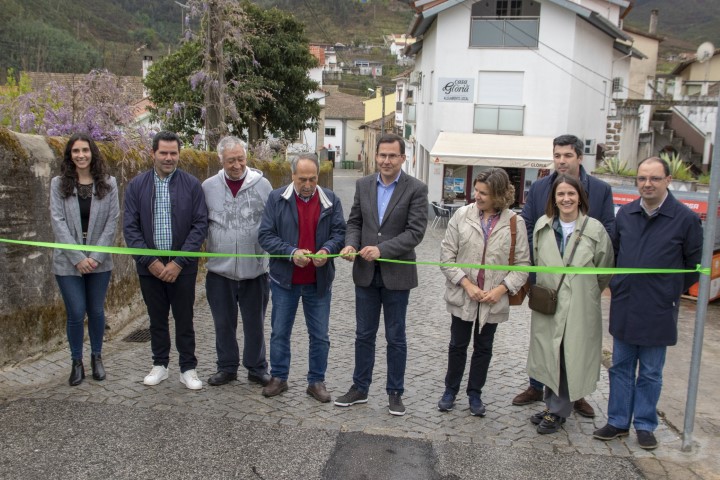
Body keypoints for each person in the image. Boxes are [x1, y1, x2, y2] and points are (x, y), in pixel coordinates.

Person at [593, 157, 702, 450]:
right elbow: (614, 255)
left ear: (668, 180)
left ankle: (644, 425)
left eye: (654, 178)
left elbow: (693, 265)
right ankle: (618, 421)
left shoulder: (685, 219)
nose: (647, 184)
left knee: (651, 371)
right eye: (642, 178)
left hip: (659, 308)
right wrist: (618, 285)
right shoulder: (626, 215)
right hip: (626, 304)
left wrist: (668, 291)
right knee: (620, 367)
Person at [514, 134, 615, 418]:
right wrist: (538, 271)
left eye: (567, 155)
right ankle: (537, 387)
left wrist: (588, 285)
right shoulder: (540, 187)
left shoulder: (600, 189)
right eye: (557, 155)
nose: (561, 160)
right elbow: (528, 227)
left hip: (581, 287)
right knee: (545, 339)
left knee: (576, 342)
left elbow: (608, 238)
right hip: (547, 282)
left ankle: (575, 396)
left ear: (579, 157)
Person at [335, 133, 428, 416]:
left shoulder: (416, 189)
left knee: (395, 337)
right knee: (363, 334)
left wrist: (381, 249)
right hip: (365, 273)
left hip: (397, 275)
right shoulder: (363, 185)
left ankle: (395, 392)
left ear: (403, 158)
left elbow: (415, 233)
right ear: (376, 156)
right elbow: (355, 222)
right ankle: (360, 388)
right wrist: (351, 244)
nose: (386, 160)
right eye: (382, 155)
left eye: (392, 155)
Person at [437, 169, 530, 416]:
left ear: (499, 195)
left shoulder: (515, 223)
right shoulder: (462, 215)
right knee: (457, 345)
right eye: (476, 190)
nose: (476, 196)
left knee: (484, 348)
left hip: (492, 299)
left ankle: (475, 394)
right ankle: (450, 391)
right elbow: (446, 257)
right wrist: (467, 285)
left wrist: (501, 289)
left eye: (483, 193)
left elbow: (523, 265)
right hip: (463, 295)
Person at [123, 131, 208, 390]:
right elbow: (130, 228)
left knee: (184, 319)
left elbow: (200, 225)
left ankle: (188, 368)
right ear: (153, 154)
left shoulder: (191, 185)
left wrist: (179, 262)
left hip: (182, 266)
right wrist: (150, 261)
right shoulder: (136, 186)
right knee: (156, 318)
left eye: (173, 153)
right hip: (149, 267)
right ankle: (160, 364)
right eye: (164, 153)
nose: (169, 158)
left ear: (179, 155)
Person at [257, 153, 346, 402]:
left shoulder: (331, 200)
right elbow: (265, 235)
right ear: (292, 175)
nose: (308, 185)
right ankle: (279, 377)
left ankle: (316, 381)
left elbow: (340, 233)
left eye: (312, 179)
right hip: (284, 281)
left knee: (320, 335)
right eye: (302, 179)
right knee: (279, 332)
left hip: (318, 282)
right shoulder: (276, 198)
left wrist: (327, 251)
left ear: (318, 176)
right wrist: (291, 252)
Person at [202, 136, 273, 387]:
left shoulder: (263, 185)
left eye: (241, 159)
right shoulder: (208, 187)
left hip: (255, 270)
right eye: (231, 160)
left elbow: (272, 222)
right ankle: (227, 367)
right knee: (223, 323)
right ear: (221, 160)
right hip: (219, 271)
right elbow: (201, 223)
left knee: (255, 324)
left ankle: (257, 367)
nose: (237, 165)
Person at [50, 133, 119, 386]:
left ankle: (97, 357)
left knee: (96, 311)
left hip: (99, 261)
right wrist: (78, 258)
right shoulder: (58, 184)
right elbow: (57, 222)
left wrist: (95, 257)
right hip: (68, 262)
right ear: (70, 155)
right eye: (76, 151)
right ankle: (76, 362)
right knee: (77, 312)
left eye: (85, 150)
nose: (81, 155)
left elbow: (112, 222)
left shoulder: (109, 183)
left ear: (93, 153)